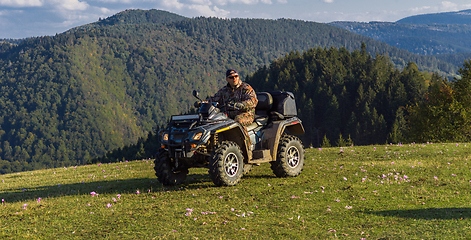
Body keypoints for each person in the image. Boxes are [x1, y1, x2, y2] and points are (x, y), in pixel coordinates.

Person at [206, 69, 258, 140]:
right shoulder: (224, 90)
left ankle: (247, 146)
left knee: (238, 121)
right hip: (229, 115)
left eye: (236, 76)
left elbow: (253, 101)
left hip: (246, 114)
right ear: (227, 79)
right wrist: (203, 103)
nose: (234, 78)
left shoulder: (245, 88)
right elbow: (214, 99)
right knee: (214, 122)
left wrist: (242, 105)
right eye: (231, 77)